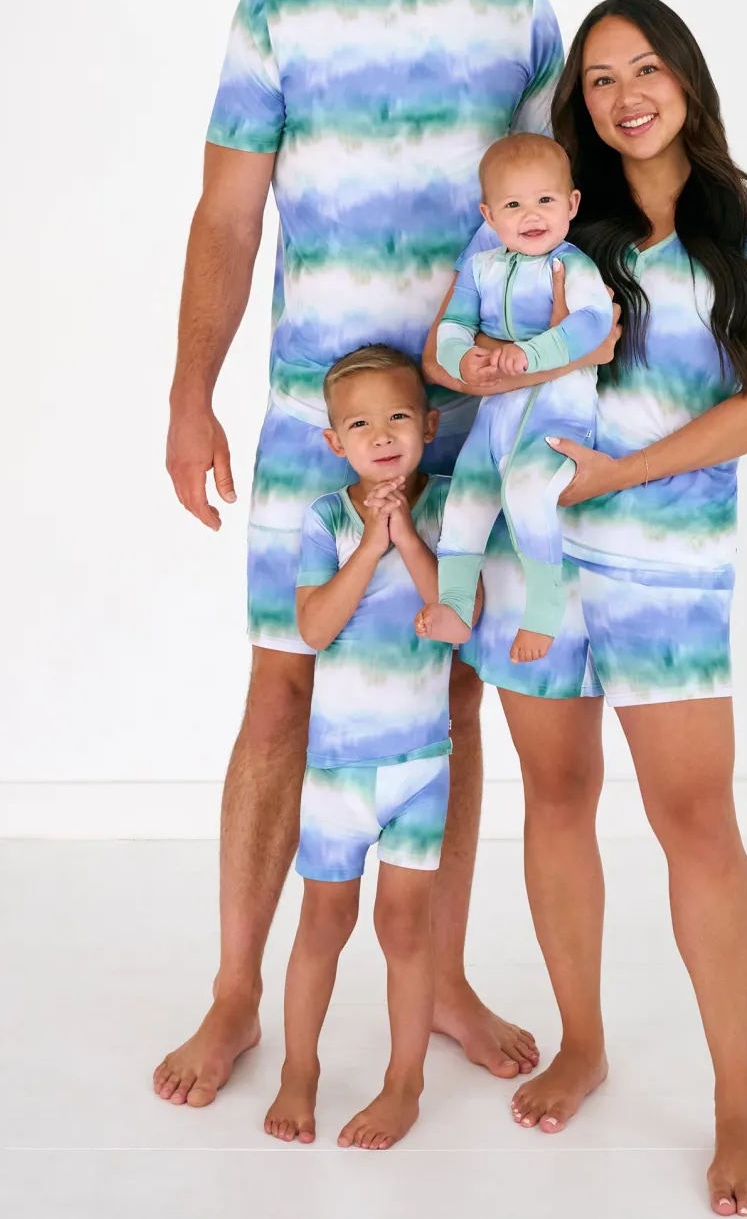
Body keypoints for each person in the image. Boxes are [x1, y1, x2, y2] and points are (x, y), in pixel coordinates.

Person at [155, 0, 611, 1106]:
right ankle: (236, 991)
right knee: (280, 685)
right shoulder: (277, 12)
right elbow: (226, 214)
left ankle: (441, 975)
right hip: (317, 408)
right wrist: (188, 391)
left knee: (444, 690)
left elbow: (555, 212)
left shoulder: (519, 17)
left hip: (475, 418)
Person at [425, 0, 747, 1216]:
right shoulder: (550, 217)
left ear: (684, 78)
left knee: (694, 819)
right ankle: (582, 1040)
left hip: (666, 566)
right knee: (555, 794)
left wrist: (619, 473)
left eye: (643, 68)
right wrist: (471, 362)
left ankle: (736, 1102)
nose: (623, 95)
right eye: (598, 79)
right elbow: (457, 340)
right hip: (533, 560)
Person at [263, 347, 455, 1150]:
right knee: (323, 921)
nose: (382, 435)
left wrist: (405, 535)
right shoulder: (327, 519)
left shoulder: (448, 506)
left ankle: (405, 1082)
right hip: (339, 773)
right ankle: (298, 1069)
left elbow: (458, 613)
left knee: (407, 930)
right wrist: (370, 545)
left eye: (399, 417)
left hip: (421, 767)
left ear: (429, 426)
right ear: (335, 441)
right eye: (361, 424)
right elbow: (313, 628)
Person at [418, 133, 612, 663]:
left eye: (546, 199)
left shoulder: (573, 266)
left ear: (571, 204)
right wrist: (463, 358)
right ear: (489, 215)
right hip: (494, 418)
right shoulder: (481, 268)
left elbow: (593, 323)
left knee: (528, 494)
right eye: (512, 205)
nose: (531, 215)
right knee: (464, 500)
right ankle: (456, 605)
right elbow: (453, 325)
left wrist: (531, 353)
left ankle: (544, 611)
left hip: (557, 416)